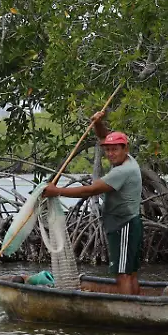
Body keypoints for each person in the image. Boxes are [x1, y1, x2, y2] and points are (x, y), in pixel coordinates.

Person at [43, 111, 143, 294]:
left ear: (125, 149)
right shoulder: (126, 160)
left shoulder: (122, 172)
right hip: (125, 223)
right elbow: (105, 136)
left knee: (123, 273)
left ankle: (128, 309)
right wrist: (97, 123)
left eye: (115, 150)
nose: (111, 154)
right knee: (129, 271)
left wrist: (56, 191)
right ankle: (135, 306)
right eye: (108, 150)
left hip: (124, 225)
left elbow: (91, 190)